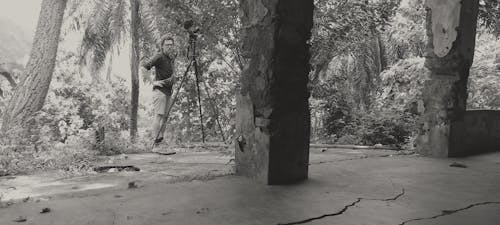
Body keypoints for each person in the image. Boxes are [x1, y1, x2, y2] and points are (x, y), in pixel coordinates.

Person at [143, 35, 177, 153]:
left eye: (171, 44)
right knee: (159, 115)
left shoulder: (171, 58)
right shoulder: (159, 56)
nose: (169, 47)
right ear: (162, 46)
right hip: (160, 91)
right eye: (167, 45)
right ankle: (156, 143)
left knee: (165, 118)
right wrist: (153, 81)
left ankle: (161, 141)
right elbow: (144, 67)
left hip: (168, 91)